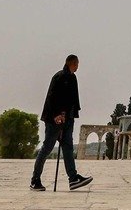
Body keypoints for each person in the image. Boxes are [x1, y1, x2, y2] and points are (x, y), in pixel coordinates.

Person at [30, 54, 93, 191]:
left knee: (68, 148)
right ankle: (35, 180)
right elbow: (51, 98)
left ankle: (73, 179)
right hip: (55, 120)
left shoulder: (72, 78)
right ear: (73, 63)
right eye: (77, 64)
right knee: (47, 148)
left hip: (68, 119)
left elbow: (72, 100)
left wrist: (71, 115)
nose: (78, 67)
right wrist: (56, 115)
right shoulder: (59, 77)